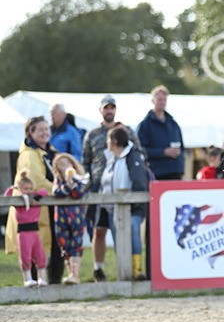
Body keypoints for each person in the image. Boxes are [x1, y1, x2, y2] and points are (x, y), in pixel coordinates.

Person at [82, 95, 142, 282]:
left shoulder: (128, 131)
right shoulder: (92, 134)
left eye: (112, 107)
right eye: (106, 107)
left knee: (122, 230)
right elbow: (86, 161)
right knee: (98, 230)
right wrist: (89, 184)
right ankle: (98, 269)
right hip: (99, 188)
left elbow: (139, 154)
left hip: (122, 188)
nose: (109, 110)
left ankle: (129, 268)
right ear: (101, 110)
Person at [6, 116, 63, 284]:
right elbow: (35, 181)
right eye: (40, 130)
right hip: (34, 212)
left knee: (55, 246)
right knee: (34, 247)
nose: (45, 133)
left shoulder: (51, 152)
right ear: (30, 133)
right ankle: (35, 282)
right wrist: (58, 190)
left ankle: (54, 283)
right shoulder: (29, 155)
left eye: (47, 129)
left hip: (51, 208)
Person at [102, 127, 150, 281]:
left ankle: (137, 269)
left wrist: (133, 203)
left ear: (115, 141)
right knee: (120, 237)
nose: (107, 143)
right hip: (116, 206)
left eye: (109, 139)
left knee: (133, 231)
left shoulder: (133, 156)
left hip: (133, 206)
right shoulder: (112, 158)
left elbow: (139, 182)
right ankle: (124, 271)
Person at [5, 170, 50, 287]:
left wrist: (37, 197)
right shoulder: (19, 201)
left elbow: (44, 191)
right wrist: (12, 188)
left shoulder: (35, 199)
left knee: (40, 254)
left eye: (30, 188)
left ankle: (42, 277)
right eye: (25, 189)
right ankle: (28, 278)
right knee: (25, 255)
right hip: (24, 233)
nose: (28, 191)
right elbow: (6, 198)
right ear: (20, 189)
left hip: (35, 231)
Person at [51, 154, 89, 284]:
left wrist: (71, 182)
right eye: (61, 165)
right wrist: (66, 184)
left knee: (76, 246)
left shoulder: (80, 180)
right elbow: (58, 193)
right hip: (61, 220)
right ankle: (70, 274)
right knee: (65, 246)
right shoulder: (57, 182)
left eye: (66, 164)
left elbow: (78, 193)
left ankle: (75, 275)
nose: (64, 167)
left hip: (77, 219)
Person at [137, 85, 185, 181]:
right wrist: (163, 152)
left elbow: (182, 147)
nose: (162, 102)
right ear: (153, 100)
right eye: (159, 99)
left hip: (176, 173)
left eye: (164, 99)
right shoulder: (145, 125)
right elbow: (141, 150)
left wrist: (179, 156)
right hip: (157, 174)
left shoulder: (174, 124)